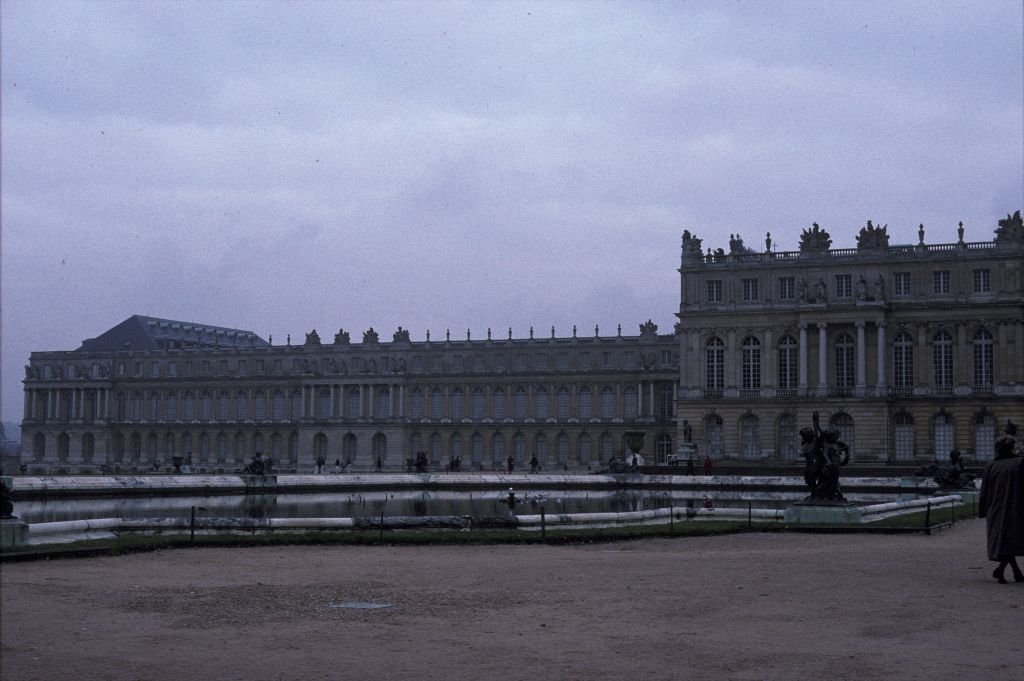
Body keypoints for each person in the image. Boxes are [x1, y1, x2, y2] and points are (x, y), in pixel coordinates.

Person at [979, 435, 1024, 583]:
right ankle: (1004, 570)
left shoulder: (991, 465)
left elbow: (984, 490)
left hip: (995, 508)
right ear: (1012, 448)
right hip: (1014, 507)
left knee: (1003, 540)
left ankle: (1014, 572)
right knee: (1010, 539)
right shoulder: (1020, 462)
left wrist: (982, 510)